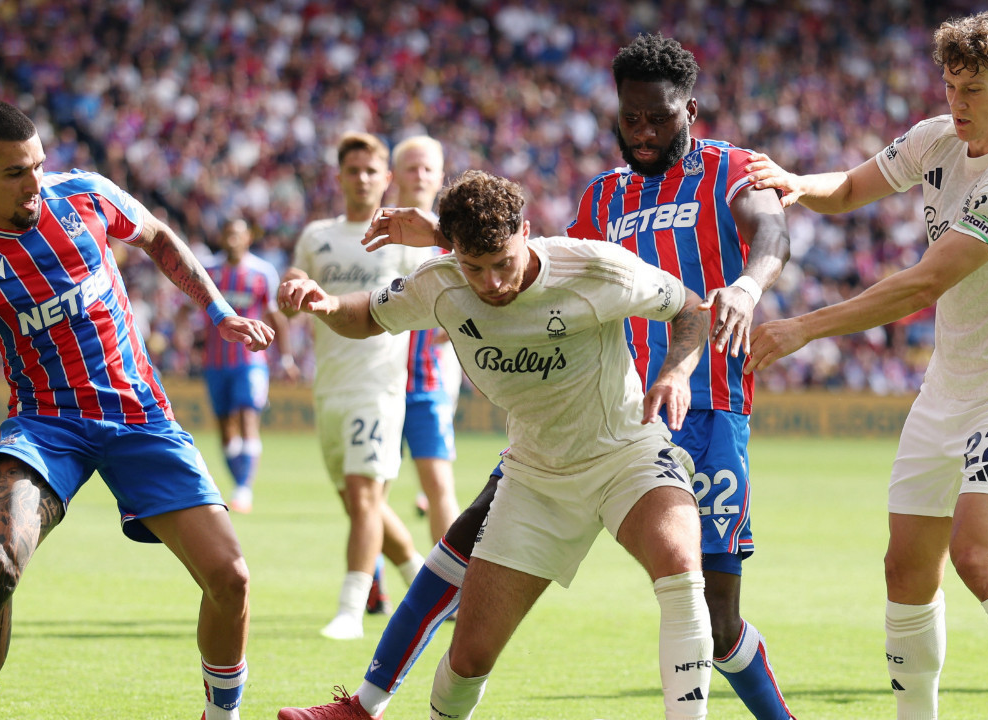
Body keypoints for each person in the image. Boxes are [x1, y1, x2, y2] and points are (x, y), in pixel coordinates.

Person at [277, 33, 796, 720]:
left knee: (715, 616)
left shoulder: (733, 168)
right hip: (571, 417)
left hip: (699, 406)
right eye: (629, 117)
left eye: (658, 118)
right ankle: (367, 702)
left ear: (691, 110)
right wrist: (437, 233)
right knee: (466, 548)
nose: (641, 132)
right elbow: (523, 259)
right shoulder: (603, 197)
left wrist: (750, 288)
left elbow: (771, 231)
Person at [281, 169, 716, 720]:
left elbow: (689, 308)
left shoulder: (594, 267)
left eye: (503, 264)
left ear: (527, 233)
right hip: (534, 477)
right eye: (473, 267)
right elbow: (367, 314)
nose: (489, 284)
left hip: (625, 452)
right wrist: (323, 306)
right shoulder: (440, 282)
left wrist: (676, 372)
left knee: (679, 566)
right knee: (468, 659)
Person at [742, 8, 988, 720]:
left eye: (975, 90)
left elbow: (923, 283)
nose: (957, 104)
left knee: (982, 562)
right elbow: (853, 189)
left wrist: (805, 327)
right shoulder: (937, 136)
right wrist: (798, 182)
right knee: (904, 568)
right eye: (951, 85)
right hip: (946, 388)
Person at [0, 100, 273, 720]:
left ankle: (220, 717)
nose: (35, 183)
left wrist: (218, 309)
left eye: (38, 165)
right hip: (45, 429)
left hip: (140, 415)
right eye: (14, 173)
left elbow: (159, 238)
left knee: (232, 580)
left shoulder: (85, 193)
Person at [285, 131, 427, 640]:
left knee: (366, 499)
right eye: (354, 170)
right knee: (360, 503)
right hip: (331, 388)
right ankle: (426, 582)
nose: (363, 178)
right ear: (340, 176)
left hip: (379, 386)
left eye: (372, 171)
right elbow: (293, 284)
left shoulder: (404, 238)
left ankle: (350, 611)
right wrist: (291, 294)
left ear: (386, 179)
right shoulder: (318, 235)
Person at [390, 135, 461, 543]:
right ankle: (376, 578)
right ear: (394, 174)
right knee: (367, 492)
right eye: (411, 167)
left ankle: (445, 593)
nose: (419, 175)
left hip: (426, 383)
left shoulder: (454, 245)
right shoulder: (374, 236)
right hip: (374, 381)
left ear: (440, 178)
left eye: (427, 168)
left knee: (439, 488)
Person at [202, 217, 291, 513]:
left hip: (251, 361)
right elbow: (194, 309)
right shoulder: (209, 271)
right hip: (215, 362)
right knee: (226, 427)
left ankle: (243, 488)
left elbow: (275, 316)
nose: (231, 240)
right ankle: (239, 483)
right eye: (227, 234)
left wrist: (286, 357)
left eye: (237, 235)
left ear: (247, 238)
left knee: (247, 416)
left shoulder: (262, 272)